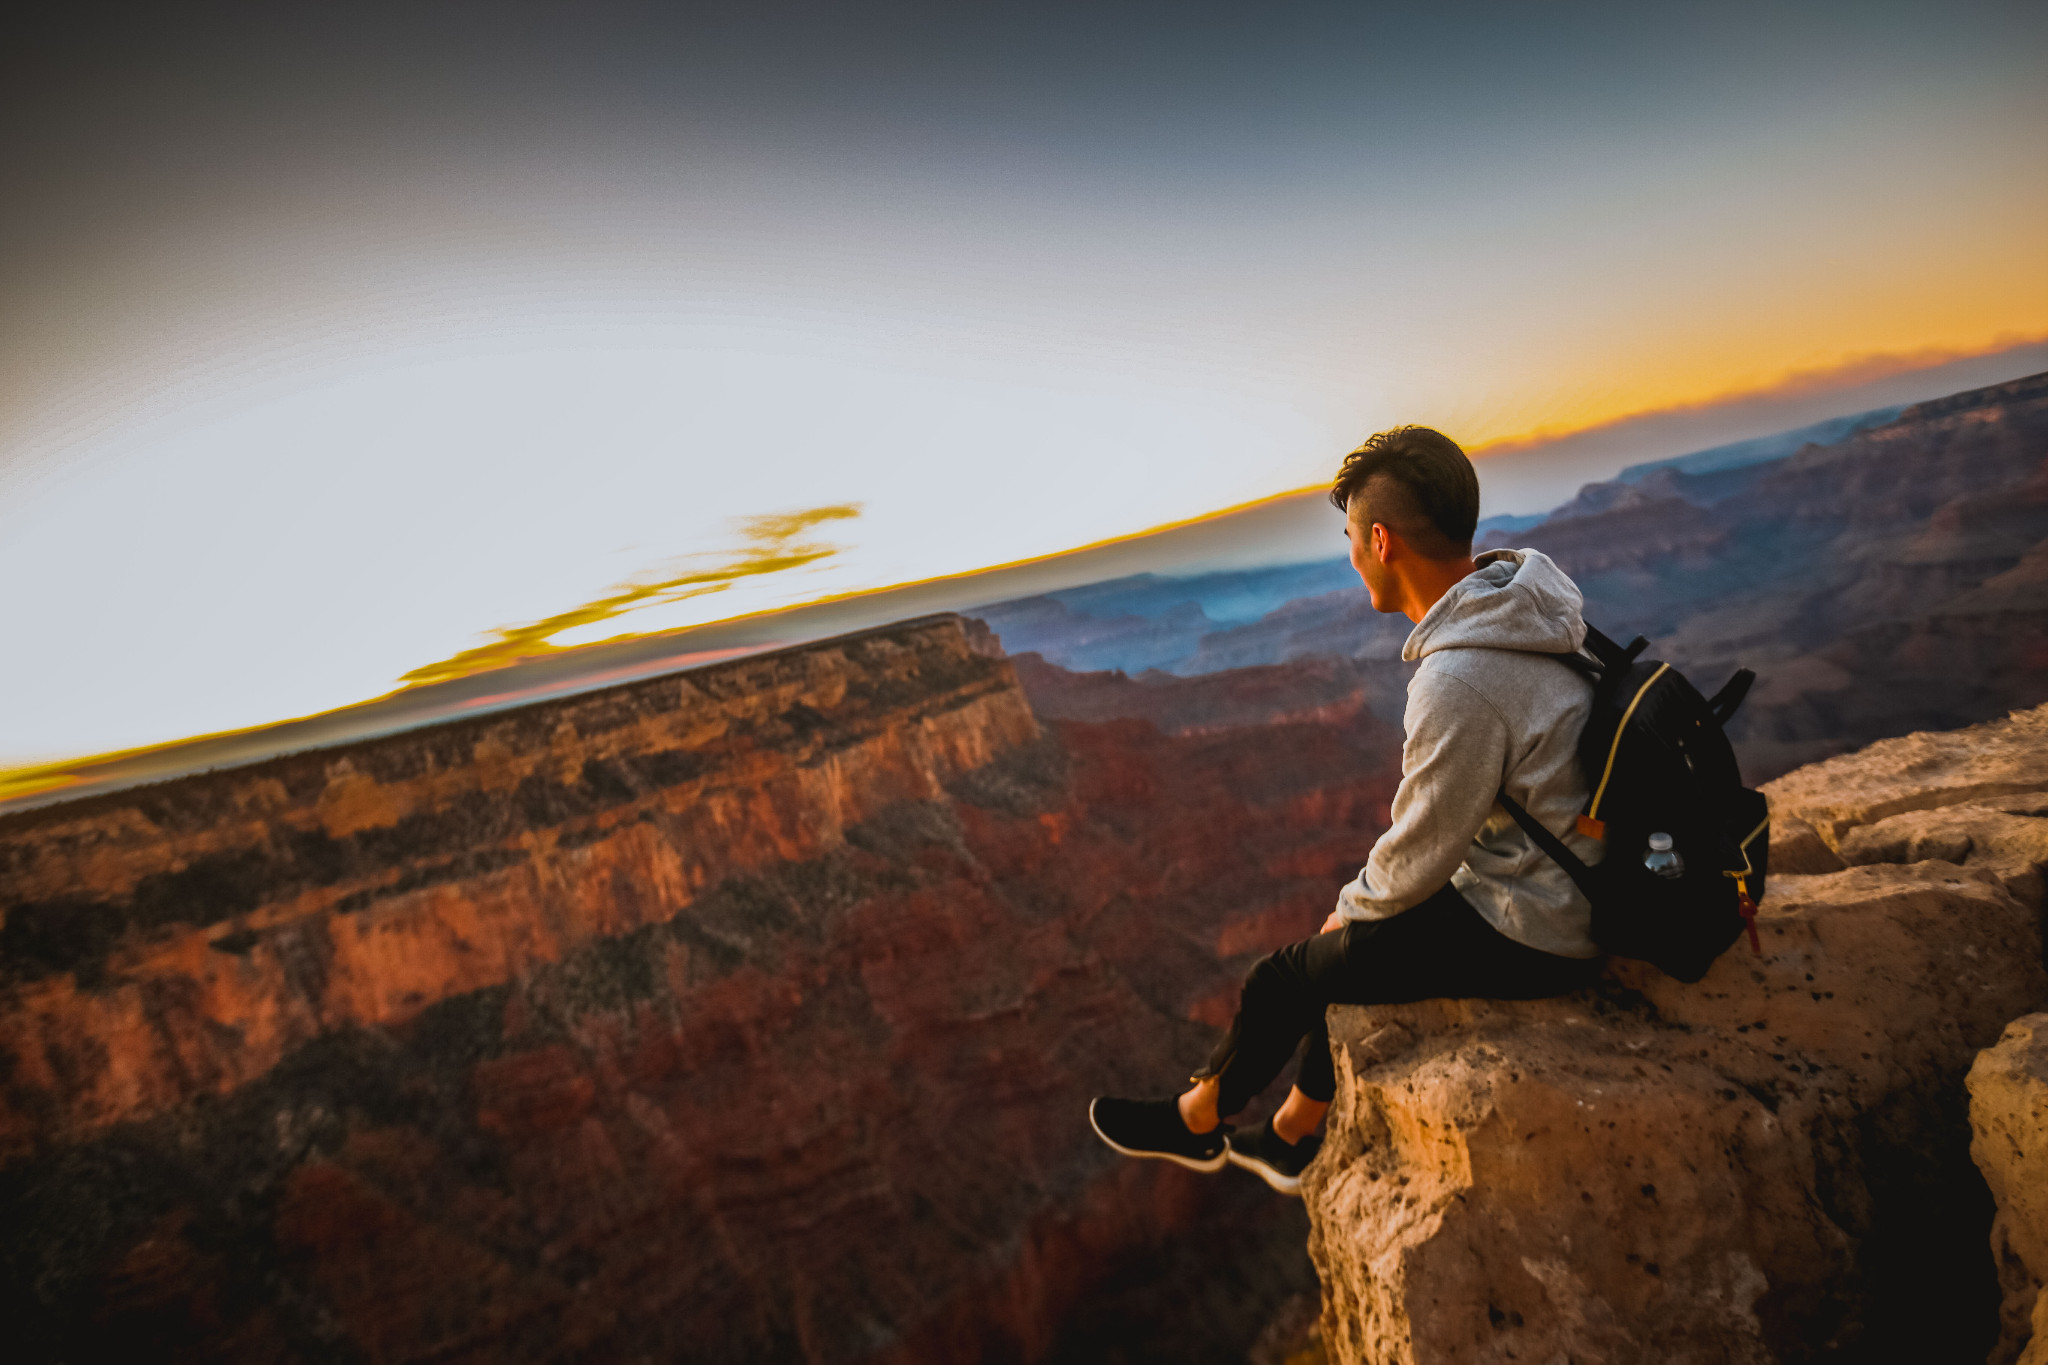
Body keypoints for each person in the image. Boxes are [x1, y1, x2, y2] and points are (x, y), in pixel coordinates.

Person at [1089, 425, 1607, 1195]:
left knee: (1287, 974)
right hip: (1572, 873)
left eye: (1349, 539)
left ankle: (1198, 1120)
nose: (1351, 557)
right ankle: (1293, 1132)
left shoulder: (1461, 679)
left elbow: (1422, 851)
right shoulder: (1526, 605)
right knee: (1358, 953)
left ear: (1380, 539)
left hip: (1543, 924)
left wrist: (1349, 911)